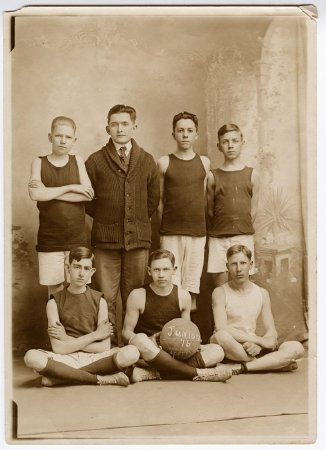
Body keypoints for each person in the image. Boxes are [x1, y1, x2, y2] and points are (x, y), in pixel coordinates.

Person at [85, 104, 160, 341]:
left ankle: (132, 344)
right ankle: (108, 345)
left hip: (138, 239)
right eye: (114, 124)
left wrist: (134, 222)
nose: (120, 129)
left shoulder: (147, 160)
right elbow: (88, 201)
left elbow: (152, 200)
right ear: (107, 128)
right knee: (105, 295)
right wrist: (109, 220)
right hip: (105, 240)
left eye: (125, 124)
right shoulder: (95, 161)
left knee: (134, 295)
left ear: (134, 127)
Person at [24, 247, 140, 387]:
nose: (81, 273)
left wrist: (66, 339)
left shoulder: (100, 301)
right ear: (68, 268)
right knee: (31, 357)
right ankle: (101, 379)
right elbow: (58, 349)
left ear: (92, 272)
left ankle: (62, 378)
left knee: (132, 352)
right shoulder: (54, 302)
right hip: (65, 358)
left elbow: (104, 347)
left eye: (86, 268)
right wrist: (95, 335)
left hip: (96, 358)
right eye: (77, 267)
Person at [122, 249, 233, 383]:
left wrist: (194, 345)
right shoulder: (138, 295)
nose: (161, 274)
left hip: (175, 351)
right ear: (149, 271)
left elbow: (187, 329)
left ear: (174, 270)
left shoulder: (183, 295)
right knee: (139, 339)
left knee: (217, 351)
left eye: (166, 269)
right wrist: (149, 340)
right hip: (150, 351)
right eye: (156, 270)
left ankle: (155, 373)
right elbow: (126, 332)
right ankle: (198, 373)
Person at [210, 244, 304, 374]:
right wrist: (260, 341)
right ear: (227, 267)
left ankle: (242, 367)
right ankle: (270, 363)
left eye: (243, 263)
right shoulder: (219, 292)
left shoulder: (262, 293)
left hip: (252, 349)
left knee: (297, 348)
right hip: (231, 346)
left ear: (251, 264)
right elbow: (222, 328)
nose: (238, 269)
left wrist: (259, 346)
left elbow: (271, 331)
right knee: (220, 336)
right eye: (233, 264)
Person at [28, 116, 94, 297]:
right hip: (50, 239)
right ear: (50, 137)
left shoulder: (77, 161)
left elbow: (87, 194)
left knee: (79, 290)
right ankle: (55, 326)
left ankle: (77, 326)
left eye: (68, 137)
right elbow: (35, 194)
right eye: (58, 136)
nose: (63, 141)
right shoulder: (39, 162)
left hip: (77, 238)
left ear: (74, 140)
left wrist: (49, 193)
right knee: (55, 292)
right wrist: (72, 187)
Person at [157, 112, 210, 310]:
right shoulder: (164, 162)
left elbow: (203, 198)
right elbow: (160, 201)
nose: (185, 135)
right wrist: (166, 228)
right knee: (172, 283)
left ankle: (188, 332)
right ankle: (171, 332)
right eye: (180, 131)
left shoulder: (204, 163)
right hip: (171, 232)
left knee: (191, 283)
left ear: (196, 134)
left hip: (197, 232)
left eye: (189, 131)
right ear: (173, 134)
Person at [207, 123, 259, 287]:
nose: (230, 145)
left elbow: (254, 210)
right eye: (225, 141)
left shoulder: (252, 174)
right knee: (221, 289)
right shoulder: (212, 176)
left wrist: (240, 229)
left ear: (242, 142)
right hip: (218, 239)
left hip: (243, 236)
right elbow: (209, 210)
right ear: (219, 146)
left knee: (243, 287)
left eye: (235, 141)